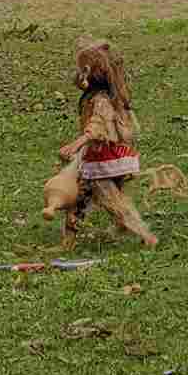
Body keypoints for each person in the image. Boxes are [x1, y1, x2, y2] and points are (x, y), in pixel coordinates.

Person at [50, 40, 159, 247]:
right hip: (100, 157)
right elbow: (79, 82)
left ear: (92, 71)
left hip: (103, 159)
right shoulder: (95, 94)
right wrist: (82, 74)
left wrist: (77, 143)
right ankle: (69, 241)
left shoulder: (101, 100)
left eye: (83, 69)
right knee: (79, 199)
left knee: (111, 201)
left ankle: (146, 236)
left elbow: (98, 126)